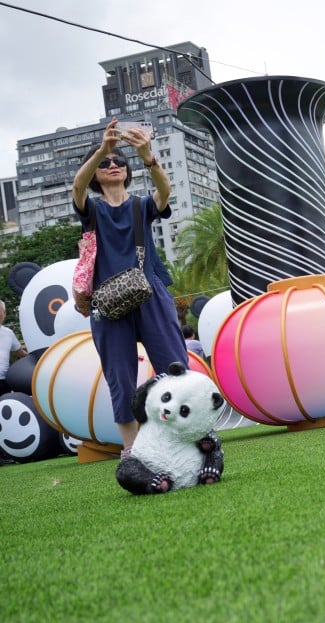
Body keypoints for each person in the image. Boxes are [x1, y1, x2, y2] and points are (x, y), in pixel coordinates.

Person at [71, 117, 188, 457]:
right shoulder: (92, 209)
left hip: (149, 290)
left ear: (128, 170)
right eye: (105, 163)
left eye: (118, 161)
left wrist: (147, 156)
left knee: (174, 364)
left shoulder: (140, 206)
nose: (112, 165)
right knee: (120, 376)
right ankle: (133, 449)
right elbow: (77, 188)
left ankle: (189, 433)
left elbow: (164, 193)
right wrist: (101, 149)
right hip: (107, 301)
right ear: (95, 174)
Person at [0, 300, 28, 394]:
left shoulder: (8, 333)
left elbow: (20, 352)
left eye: (0, 310)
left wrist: (37, 358)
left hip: (3, 381)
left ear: (4, 314)